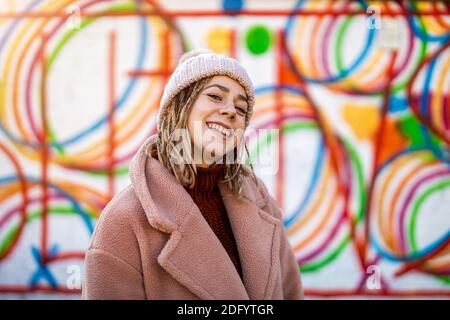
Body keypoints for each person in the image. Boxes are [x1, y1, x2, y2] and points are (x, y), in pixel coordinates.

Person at [82, 49, 303, 300]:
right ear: (179, 106)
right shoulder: (124, 220)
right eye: (215, 96)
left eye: (241, 109)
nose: (231, 110)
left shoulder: (262, 205)